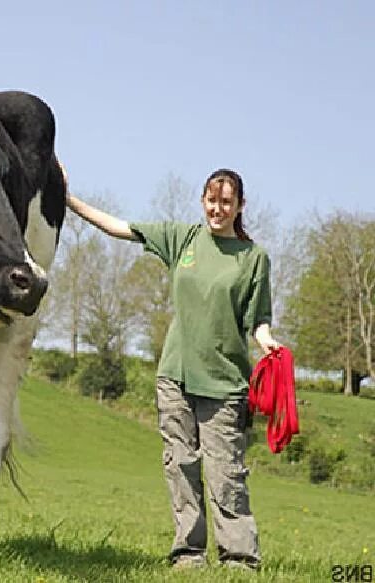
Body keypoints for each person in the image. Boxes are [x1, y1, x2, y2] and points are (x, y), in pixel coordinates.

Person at [66, 168, 280, 570]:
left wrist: (268, 342)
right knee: (179, 465)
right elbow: (119, 227)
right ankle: (189, 553)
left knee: (225, 472)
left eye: (227, 203)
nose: (218, 209)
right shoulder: (184, 239)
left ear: (239, 206)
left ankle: (240, 558)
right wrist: (68, 199)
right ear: (203, 201)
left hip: (225, 382)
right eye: (212, 201)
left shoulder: (254, 258)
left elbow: (259, 319)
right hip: (176, 376)